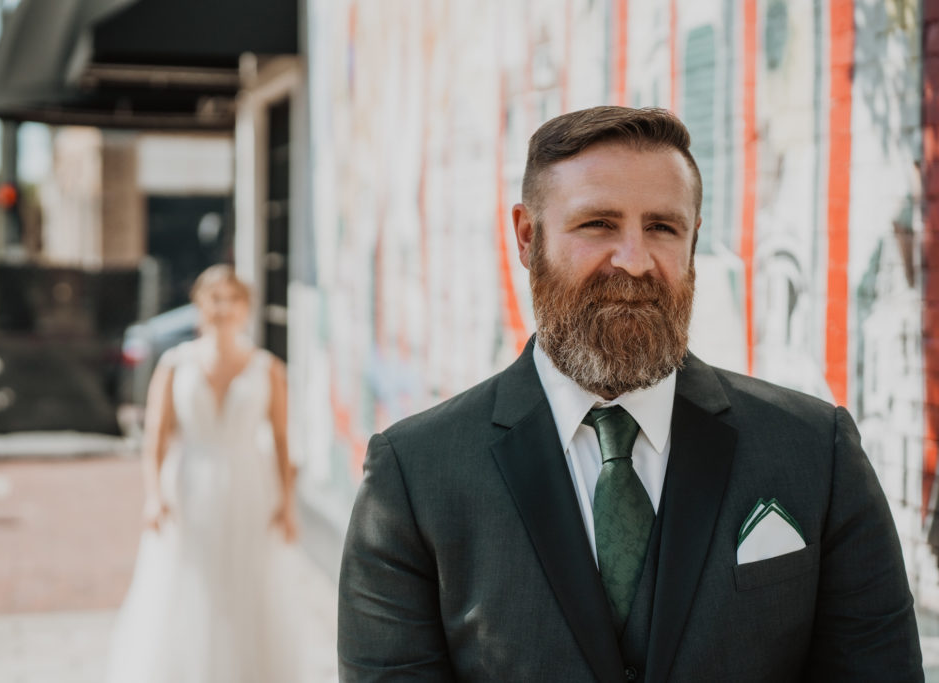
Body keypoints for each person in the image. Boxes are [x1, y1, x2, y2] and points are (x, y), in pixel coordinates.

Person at [338, 106, 924, 682]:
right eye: (598, 224)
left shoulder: (815, 451)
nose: (635, 260)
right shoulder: (414, 476)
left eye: (662, 228)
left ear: (693, 241)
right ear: (526, 236)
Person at [106, 264, 299, 683]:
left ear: (246, 308)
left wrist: (287, 503)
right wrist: (153, 496)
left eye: (231, 299)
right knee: (186, 587)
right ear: (198, 306)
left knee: (247, 585)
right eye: (213, 298)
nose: (222, 308)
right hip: (189, 489)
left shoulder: (269, 369)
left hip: (250, 489)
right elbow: (156, 436)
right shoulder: (175, 365)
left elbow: (283, 441)